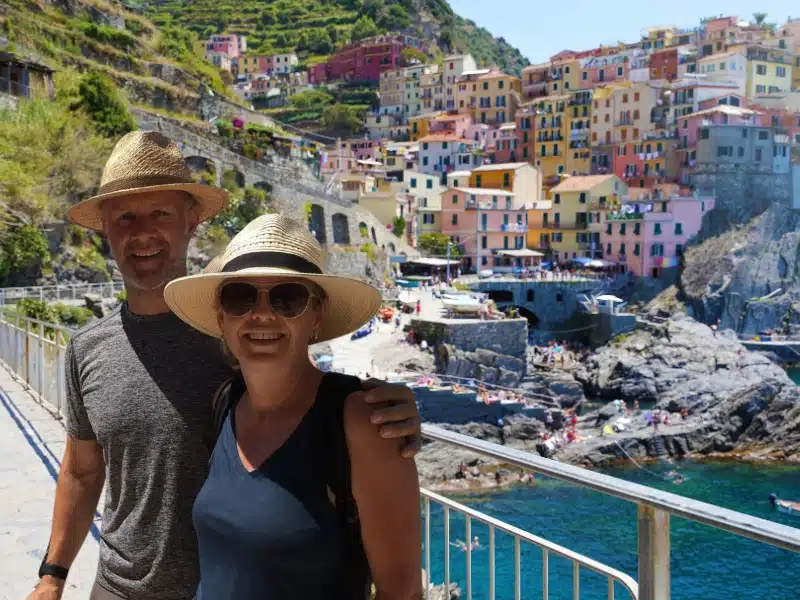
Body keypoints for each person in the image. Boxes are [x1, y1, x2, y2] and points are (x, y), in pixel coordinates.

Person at [28, 132, 422, 600]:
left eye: (160, 214)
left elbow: (312, 400)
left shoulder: (242, 339)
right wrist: (53, 575)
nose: (142, 233)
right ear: (105, 230)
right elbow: (81, 469)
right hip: (116, 588)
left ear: (192, 221)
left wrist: (387, 412)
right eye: (125, 217)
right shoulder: (87, 349)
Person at [163, 214, 421, 598]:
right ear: (222, 316)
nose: (262, 313)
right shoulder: (226, 403)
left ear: (318, 313)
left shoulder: (361, 421)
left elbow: (402, 592)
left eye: (288, 298)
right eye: (240, 297)